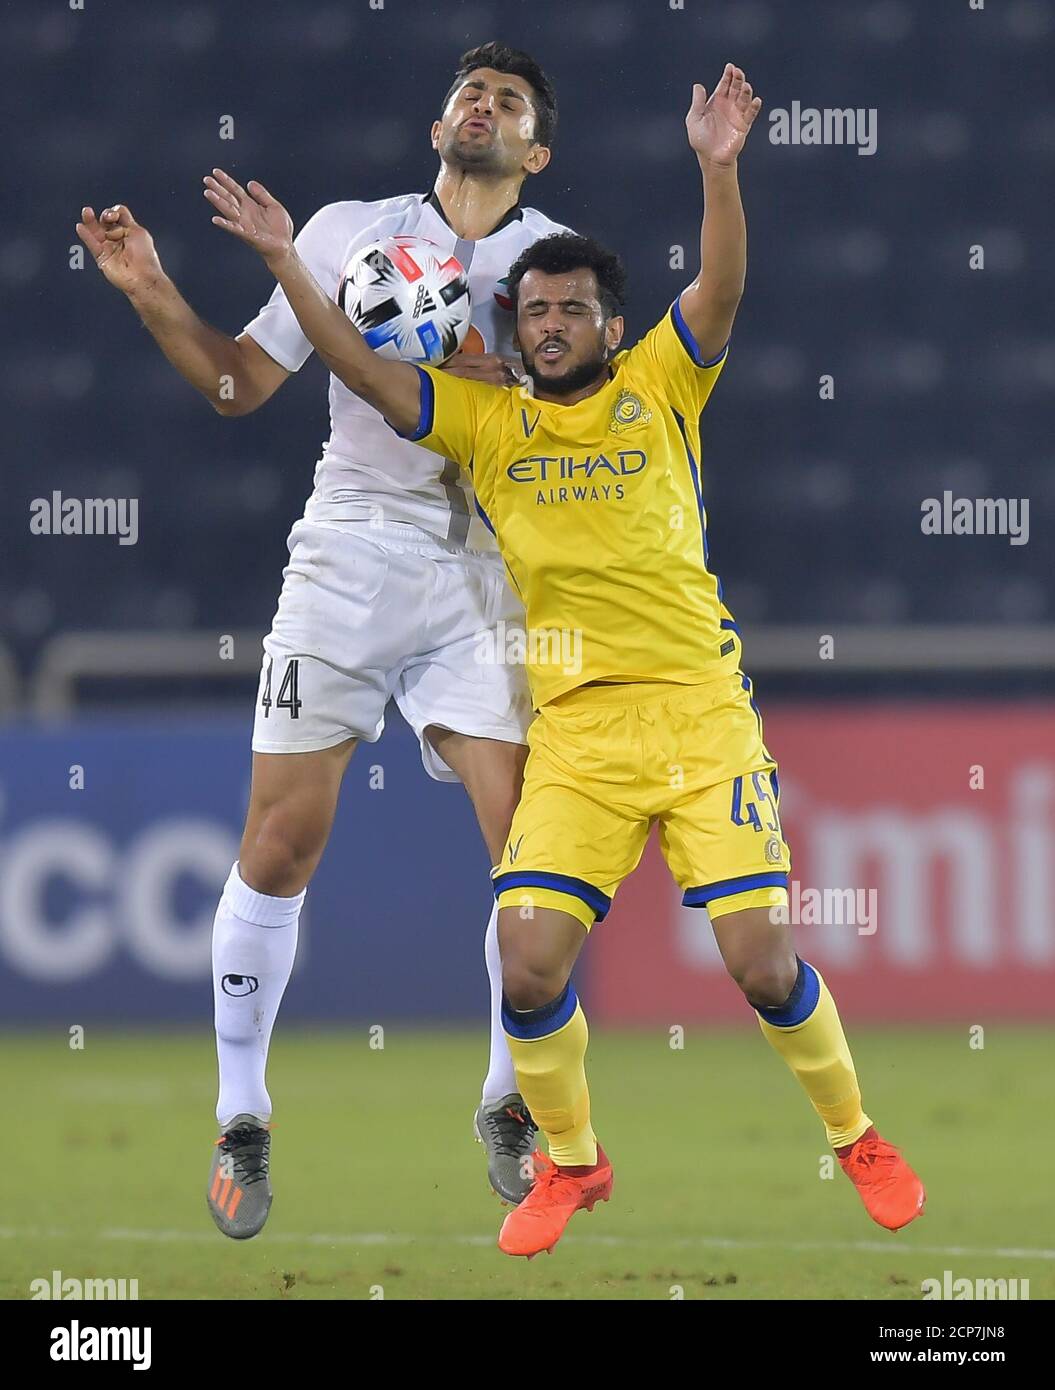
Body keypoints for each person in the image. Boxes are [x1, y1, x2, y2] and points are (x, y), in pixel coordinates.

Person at [205, 63, 926, 1258]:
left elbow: (723, 284)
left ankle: (855, 1135)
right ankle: (570, 1167)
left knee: (758, 963)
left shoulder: (661, 381)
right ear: (513, 330)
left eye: (570, 311)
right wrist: (290, 261)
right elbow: (369, 371)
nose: (547, 324)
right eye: (531, 313)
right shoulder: (486, 422)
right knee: (530, 965)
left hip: (697, 717)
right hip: (581, 735)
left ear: (607, 324)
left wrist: (717, 169)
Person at [76, 41, 572, 1239]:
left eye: (507, 101)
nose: (481, 105)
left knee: (531, 845)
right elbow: (239, 384)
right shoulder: (349, 231)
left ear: (534, 150)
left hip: (481, 566)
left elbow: (585, 415)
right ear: (440, 120)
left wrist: (489, 380)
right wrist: (151, 288)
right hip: (348, 548)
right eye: (468, 90)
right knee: (283, 840)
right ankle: (242, 1116)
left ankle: (509, 1102)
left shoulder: (552, 266)